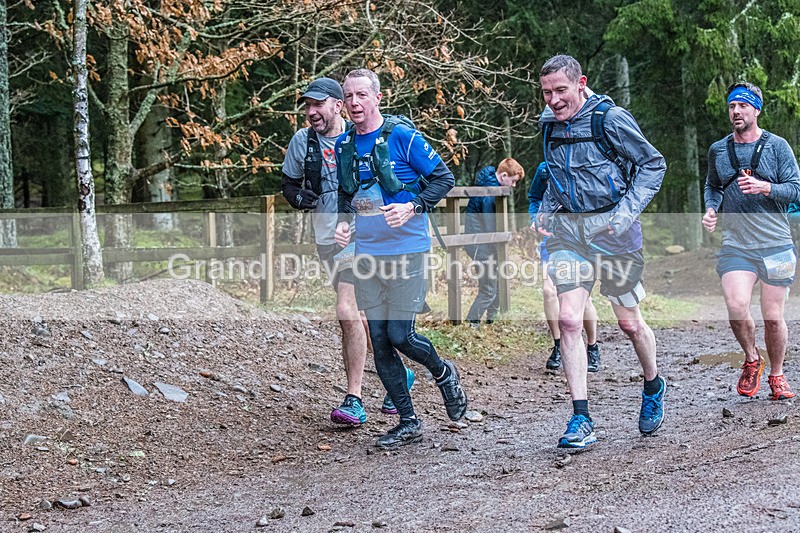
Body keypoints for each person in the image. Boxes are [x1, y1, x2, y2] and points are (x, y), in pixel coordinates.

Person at [535, 54, 667, 449]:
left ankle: (653, 383)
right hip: (568, 234)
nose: (553, 100)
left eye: (560, 90)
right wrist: (545, 210)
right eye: (546, 92)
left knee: (629, 324)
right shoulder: (547, 123)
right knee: (570, 320)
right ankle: (581, 418)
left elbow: (652, 165)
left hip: (614, 235)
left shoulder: (609, 119)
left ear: (580, 83)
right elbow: (555, 174)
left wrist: (625, 215)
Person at [334, 68, 468, 448]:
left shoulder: (403, 137)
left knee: (400, 334)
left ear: (378, 97)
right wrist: (345, 225)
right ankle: (408, 421)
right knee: (378, 336)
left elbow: (444, 178)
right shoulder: (345, 144)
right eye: (349, 96)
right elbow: (347, 194)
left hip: (408, 250)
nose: (355, 103)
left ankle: (444, 373)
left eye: (362, 95)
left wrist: (412, 206)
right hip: (367, 255)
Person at [281, 77, 414, 427]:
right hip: (327, 237)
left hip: (363, 236)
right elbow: (288, 184)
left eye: (318, 105)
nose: (311, 112)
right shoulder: (302, 142)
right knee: (361, 315)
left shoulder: (358, 138)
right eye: (307, 106)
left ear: (337, 105)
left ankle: (354, 398)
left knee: (345, 310)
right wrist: (296, 197)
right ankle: (400, 375)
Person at [703, 81, 800, 401]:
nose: (736, 111)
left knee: (773, 316)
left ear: (756, 110)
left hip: (775, 244)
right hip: (737, 243)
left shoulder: (778, 147)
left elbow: (796, 189)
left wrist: (765, 188)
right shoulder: (718, 149)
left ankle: (777, 374)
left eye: (743, 106)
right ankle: (751, 359)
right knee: (735, 304)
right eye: (732, 106)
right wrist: (711, 208)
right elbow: (712, 185)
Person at [528, 162, 601, 372]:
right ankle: (559, 345)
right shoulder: (544, 168)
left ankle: (592, 346)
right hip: (553, 238)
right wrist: (536, 219)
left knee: (583, 297)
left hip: (582, 239)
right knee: (549, 291)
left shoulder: (589, 164)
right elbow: (534, 198)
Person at [463, 158, 525, 328]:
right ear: (504, 175)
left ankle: (492, 319)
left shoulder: (491, 186)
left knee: (494, 282)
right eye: (512, 181)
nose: (513, 186)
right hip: (480, 245)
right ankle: (471, 323)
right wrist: (499, 245)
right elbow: (490, 225)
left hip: (483, 244)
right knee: (488, 289)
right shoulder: (490, 193)